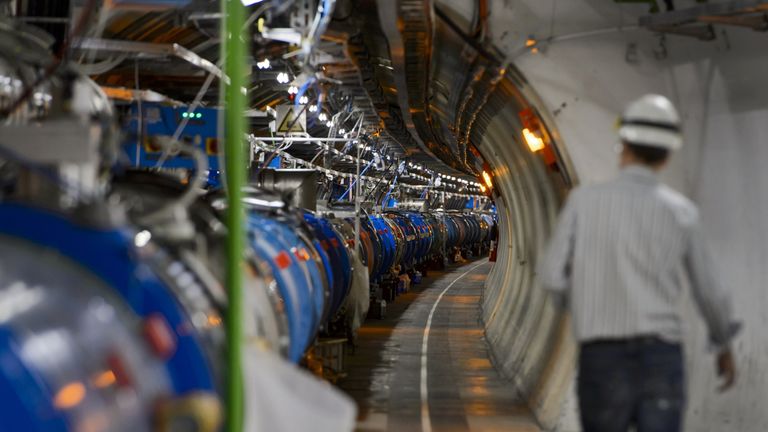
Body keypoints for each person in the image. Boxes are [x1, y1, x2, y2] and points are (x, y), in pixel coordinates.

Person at [537, 94, 740, 432]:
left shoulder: (583, 203)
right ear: (667, 155)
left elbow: (552, 276)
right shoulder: (681, 212)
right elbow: (711, 291)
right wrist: (722, 344)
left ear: (623, 144)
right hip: (661, 358)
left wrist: (582, 307)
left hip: (601, 357)